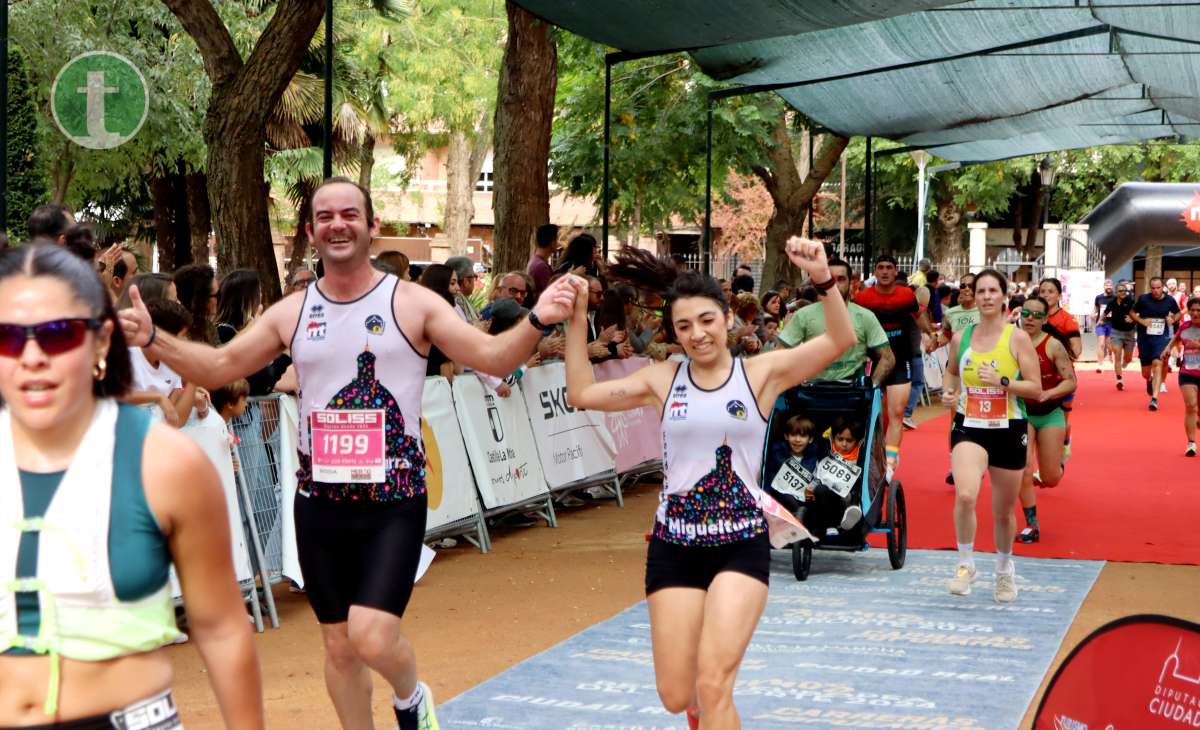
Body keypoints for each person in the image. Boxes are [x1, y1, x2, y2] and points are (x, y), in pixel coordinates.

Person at [118, 176, 579, 730]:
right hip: (320, 503)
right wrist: (151, 340)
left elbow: (494, 357)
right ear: (311, 231)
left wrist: (536, 320)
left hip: (394, 501)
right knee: (338, 647)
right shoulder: (293, 312)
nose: (338, 224)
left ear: (371, 225)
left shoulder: (413, 303)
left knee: (372, 633)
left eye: (350, 215)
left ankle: (411, 698)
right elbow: (219, 368)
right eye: (326, 217)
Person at [564, 238, 854, 729]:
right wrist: (574, 321)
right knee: (679, 695)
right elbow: (581, 393)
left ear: (726, 318)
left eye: (706, 321)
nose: (697, 335)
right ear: (673, 333)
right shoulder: (663, 378)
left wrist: (823, 279)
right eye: (683, 327)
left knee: (715, 683)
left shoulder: (761, 374)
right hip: (673, 546)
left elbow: (839, 341)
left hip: (740, 545)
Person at [0, 243, 263, 728]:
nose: (31, 356)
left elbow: (223, 630)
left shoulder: (167, 464)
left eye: (57, 334)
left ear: (101, 343)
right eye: (9, 338)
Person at [941, 269, 1042, 603]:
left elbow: (1036, 389)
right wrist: (948, 393)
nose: (984, 296)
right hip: (969, 426)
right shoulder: (962, 337)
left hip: (1009, 428)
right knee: (966, 494)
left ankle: (1003, 569)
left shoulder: (1017, 338)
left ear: (1003, 296)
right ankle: (966, 564)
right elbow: (952, 373)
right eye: (978, 290)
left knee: (1003, 512)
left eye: (991, 291)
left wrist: (1002, 381)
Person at [855, 255, 930, 478]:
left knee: (896, 413)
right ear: (875, 273)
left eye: (889, 268)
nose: (885, 272)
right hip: (872, 362)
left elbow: (918, 315)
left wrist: (931, 335)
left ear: (896, 272)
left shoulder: (906, 295)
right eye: (881, 268)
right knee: (869, 414)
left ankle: (889, 463)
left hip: (900, 360)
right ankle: (865, 456)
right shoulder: (863, 297)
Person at [777, 257, 895, 387]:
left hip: (853, 395)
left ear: (850, 284)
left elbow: (888, 358)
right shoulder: (803, 315)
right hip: (812, 394)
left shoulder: (865, 317)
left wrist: (872, 386)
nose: (835, 284)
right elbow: (780, 354)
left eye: (841, 279)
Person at [1016, 296, 1077, 544]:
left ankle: (1062, 452)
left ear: (1045, 319)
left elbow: (1071, 380)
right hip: (1021, 412)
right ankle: (1032, 524)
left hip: (1050, 412)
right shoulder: (1010, 341)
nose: (1030, 319)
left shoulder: (1053, 346)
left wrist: (1048, 393)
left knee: (1050, 478)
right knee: (1025, 468)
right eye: (1026, 314)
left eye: (1037, 315)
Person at [1157, 296, 1200, 455]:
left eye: (1198, 310)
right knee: (1191, 406)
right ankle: (1191, 443)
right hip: (1187, 372)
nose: (1195, 313)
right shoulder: (1184, 327)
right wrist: (1167, 349)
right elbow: (1175, 339)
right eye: (1192, 310)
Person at [1132, 277, 1182, 410]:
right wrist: (1142, 321)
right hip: (1144, 337)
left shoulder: (1169, 300)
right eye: (1153, 288)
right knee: (1145, 373)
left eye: (1158, 288)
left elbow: (1178, 314)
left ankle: (1154, 399)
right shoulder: (1143, 299)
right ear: (1150, 288)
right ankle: (1149, 380)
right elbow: (1131, 313)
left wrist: (1173, 319)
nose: (1155, 291)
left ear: (1162, 287)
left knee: (1158, 363)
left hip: (1161, 337)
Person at [172, 263, 217, 344]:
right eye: (216, 295)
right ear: (201, 299)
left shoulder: (207, 326)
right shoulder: (174, 331)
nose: (219, 299)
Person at [1105, 282, 1137, 389]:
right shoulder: (1112, 303)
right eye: (1120, 291)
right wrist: (1100, 321)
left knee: (1128, 358)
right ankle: (1119, 379)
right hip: (1116, 332)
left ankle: (1126, 362)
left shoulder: (1131, 300)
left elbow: (1139, 312)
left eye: (1124, 290)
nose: (1123, 292)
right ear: (1116, 292)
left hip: (1129, 333)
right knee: (1117, 354)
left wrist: (1133, 318)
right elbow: (1105, 313)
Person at [444, 256, 480, 324]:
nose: (457, 288)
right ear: (466, 281)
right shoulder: (455, 301)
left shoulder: (456, 299)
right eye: (474, 277)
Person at [527, 223, 559, 298]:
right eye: (556, 240)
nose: (558, 243)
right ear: (552, 242)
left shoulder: (537, 261)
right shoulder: (541, 266)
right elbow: (552, 291)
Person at [1092, 279, 1116, 374]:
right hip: (1101, 324)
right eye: (1107, 285)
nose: (1109, 287)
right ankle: (1100, 365)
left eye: (1110, 285)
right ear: (1104, 286)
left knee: (1110, 345)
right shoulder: (1099, 297)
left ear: (1112, 286)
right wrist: (1093, 313)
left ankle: (1110, 353)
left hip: (1111, 324)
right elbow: (1096, 307)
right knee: (1101, 344)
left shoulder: (1115, 297)